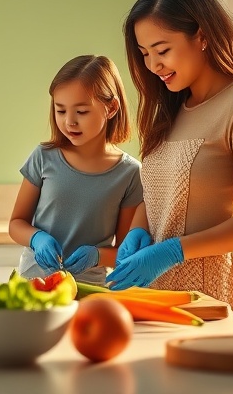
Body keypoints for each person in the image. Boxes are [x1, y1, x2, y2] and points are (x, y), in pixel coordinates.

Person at [106, 0, 233, 319]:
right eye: (144, 54)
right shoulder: (171, 108)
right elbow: (158, 191)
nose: (153, 66)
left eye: (162, 50)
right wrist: (140, 228)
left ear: (201, 36)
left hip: (218, 294)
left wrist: (173, 251)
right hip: (159, 296)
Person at [8, 55, 143, 285]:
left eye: (81, 112)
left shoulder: (130, 174)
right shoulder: (43, 157)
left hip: (88, 289)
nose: (69, 121)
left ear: (111, 108)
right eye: (61, 111)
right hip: (33, 284)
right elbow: (16, 224)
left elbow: (124, 252)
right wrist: (36, 238)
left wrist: (98, 255)